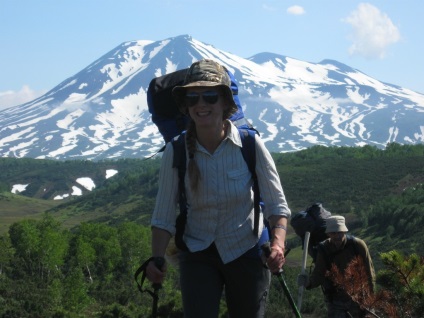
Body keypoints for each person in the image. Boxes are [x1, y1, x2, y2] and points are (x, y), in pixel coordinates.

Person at [145, 59, 291, 318]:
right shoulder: (176, 151)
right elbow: (164, 215)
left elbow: (277, 206)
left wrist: (278, 245)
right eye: (193, 98)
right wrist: (156, 258)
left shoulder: (250, 144)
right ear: (185, 105)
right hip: (197, 253)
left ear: (225, 102)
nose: (201, 104)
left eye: (210, 96)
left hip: (246, 249)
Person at [297, 215, 376, 318]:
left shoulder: (358, 245)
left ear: (344, 231)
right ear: (328, 233)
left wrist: (371, 306)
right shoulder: (324, 249)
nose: (337, 236)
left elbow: (369, 274)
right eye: (333, 233)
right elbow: (319, 274)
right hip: (336, 302)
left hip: (358, 301)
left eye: (340, 232)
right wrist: (308, 283)